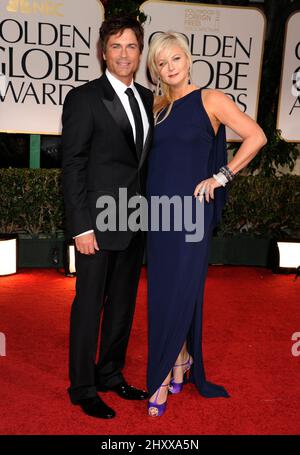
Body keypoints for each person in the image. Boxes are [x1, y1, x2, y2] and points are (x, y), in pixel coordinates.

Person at [146, 32, 267, 417]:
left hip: (191, 213)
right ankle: (181, 358)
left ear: (189, 59)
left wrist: (221, 176)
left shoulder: (211, 99)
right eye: (162, 64)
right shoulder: (158, 106)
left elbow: (256, 136)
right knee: (164, 289)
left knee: (175, 292)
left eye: (175, 59)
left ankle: (162, 375)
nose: (170, 68)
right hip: (159, 214)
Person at [61, 15, 154, 419]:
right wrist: (81, 225)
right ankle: (82, 387)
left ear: (140, 52)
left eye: (131, 46)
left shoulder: (150, 99)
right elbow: (74, 164)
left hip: (135, 221)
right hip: (96, 224)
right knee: (89, 304)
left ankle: (110, 373)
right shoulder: (84, 98)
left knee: (123, 305)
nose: (123, 54)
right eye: (115, 46)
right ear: (103, 51)